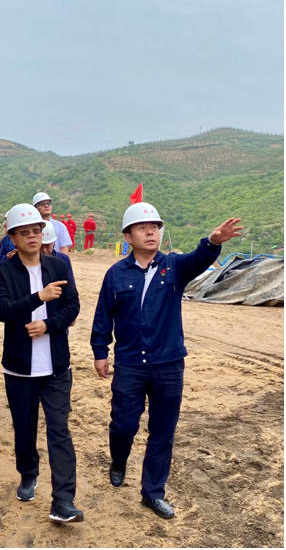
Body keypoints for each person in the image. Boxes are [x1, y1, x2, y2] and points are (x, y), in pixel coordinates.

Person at [90, 202, 242, 519]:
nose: (151, 232)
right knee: (123, 425)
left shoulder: (174, 267)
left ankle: (153, 493)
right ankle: (119, 460)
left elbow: (199, 259)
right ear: (128, 236)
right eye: (142, 228)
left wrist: (212, 242)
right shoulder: (115, 274)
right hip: (130, 363)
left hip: (168, 364)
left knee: (162, 432)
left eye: (155, 227)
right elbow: (103, 315)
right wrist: (100, 351)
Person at [0, 203, 84, 524]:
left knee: (59, 429)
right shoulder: (2, 271)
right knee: (25, 427)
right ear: (13, 238)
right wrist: (38, 298)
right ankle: (28, 474)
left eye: (36, 231)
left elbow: (73, 306)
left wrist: (48, 325)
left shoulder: (58, 265)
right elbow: (3, 310)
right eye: (24, 232)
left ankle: (64, 500)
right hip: (19, 367)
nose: (32, 236)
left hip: (57, 366)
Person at [40, 220, 76, 286]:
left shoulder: (63, 259)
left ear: (53, 244)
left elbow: (71, 286)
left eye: (47, 246)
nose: (44, 250)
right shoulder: (31, 263)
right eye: (41, 246)